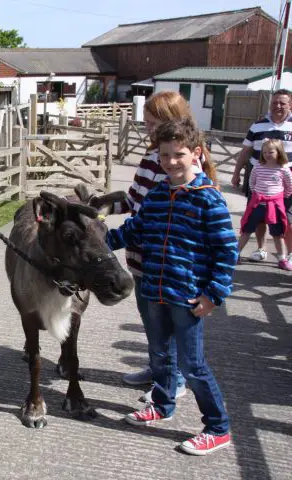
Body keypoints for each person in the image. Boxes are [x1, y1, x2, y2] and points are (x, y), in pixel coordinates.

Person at [106, 118, 238, 456]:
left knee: (193, 367)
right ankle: (163, 405)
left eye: (178, 154)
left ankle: (218, 427)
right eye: (164, 155)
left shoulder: (209, 200)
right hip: (153, 290)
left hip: (188, 298)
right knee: (161, 355)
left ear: (195, 154)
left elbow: (227, 251)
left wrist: (214, 294)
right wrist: (96, 241)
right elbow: (133, 230)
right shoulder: (158, 194)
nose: (170, 162)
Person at [94, 91, 216, 402]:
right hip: (142, 255)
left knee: (165, 324)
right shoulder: (153, 157)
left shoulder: (177, 162)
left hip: (165, 260)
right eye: (146, 122)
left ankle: (172, 381)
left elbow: (169, 216)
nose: (147, 128)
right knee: (151, 322)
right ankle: (157, 369)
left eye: (152, 122)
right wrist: (99, 213)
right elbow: (135, 202)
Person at [232, 89, 292, 264]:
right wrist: (236, 174)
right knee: (259, 217)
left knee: (287, 219)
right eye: (275, 103)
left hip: (286, 179)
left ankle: (287, 254)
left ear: (290, 105)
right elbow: (245, 152)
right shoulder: (257, 125)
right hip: (258, 176)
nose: (278, 106)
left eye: (282, 103)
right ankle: (261, 249)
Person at [237, 138, 292, 270]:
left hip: (275, 205)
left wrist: (280, 198)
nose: (267, 154)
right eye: (265, 152)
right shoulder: (258, 167)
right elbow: (252, 183)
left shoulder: (284, 170)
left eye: (271, 152)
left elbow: (289, 187)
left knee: (277, 234)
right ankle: (235, 254)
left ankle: (282, 258)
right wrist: (257, 194)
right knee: (246, 230)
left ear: (279, 153)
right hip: (257, 204)